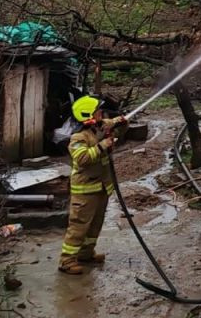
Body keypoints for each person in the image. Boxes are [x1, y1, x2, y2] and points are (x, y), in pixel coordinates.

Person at [58, 95, 126, 275]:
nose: (101, 114)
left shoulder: (99, 127)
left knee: (95, 225)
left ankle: (86, 254)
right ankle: (67, 261)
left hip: (101, 188)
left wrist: (120, 122)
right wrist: (102, 145)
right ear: (88, 115)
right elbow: (82, 158)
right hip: (85, 191)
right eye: (98, 112)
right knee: (79, 227)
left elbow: (117, 128)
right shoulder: (78, 137)